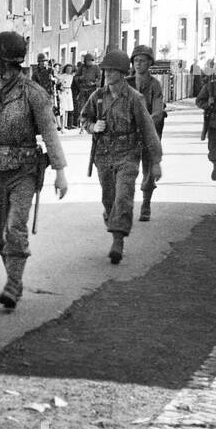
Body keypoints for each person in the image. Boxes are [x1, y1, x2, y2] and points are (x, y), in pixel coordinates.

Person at [0, 32, 68, 310]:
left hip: (24, 169)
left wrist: (60, 171)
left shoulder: (34, 93)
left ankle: (13, 284)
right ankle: (14, 276)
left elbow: (50, 132)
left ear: (6, 61)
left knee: (16, 226)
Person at [80, 49, 163, 264]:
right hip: (104, 154)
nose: (107, 73)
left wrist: (155, 162)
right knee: (109, 199)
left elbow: (148, 130)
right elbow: (84, 118)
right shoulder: (97, 97)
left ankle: (118, 240)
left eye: (112, 70)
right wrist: (92, 126)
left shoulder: (135, 98)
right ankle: (114, 222)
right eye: (105, 70)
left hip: (128, 153)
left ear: (122, 72)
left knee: (123, 196)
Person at [129, 44, 166, 221]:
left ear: (149, 63)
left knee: (149, 170)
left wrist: (146, 123)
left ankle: (146, 203)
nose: (138, 64)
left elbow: (158, 111)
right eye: (136, 60)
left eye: (142, 61)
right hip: (129, 134)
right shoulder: (126, 83)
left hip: (149, 132)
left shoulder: (155, 85)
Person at [71, 53, 101, 130]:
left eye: (91, 60)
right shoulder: (82, 67)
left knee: (92, 107)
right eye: (88, 61)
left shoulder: (96, 68)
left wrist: (95, 83)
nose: (89, 62)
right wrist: (80, 78)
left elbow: (100, 78)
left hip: (92, 90)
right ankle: (82, 124)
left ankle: (92, 123)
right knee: (82, 107)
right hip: (83, 90)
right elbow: (76, 78)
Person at [58, 63, 75, 130]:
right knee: (63, 108)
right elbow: (59, 82)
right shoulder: (62, 76)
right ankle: (63, 124)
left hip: (69, 91)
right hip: (63, 91)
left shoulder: (72, 76)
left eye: (70, 69)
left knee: (68, 108)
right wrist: (60, 87)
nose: (69, 70)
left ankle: (67, 124)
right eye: (68, 69)